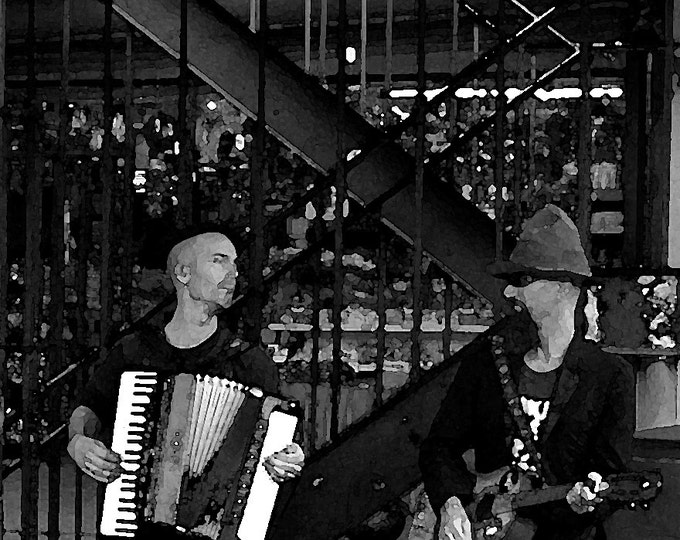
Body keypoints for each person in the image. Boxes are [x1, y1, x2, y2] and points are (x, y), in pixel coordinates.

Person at [418, 204, 635, 540]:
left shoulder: (609, 376)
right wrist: (451, 503)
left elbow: (610, 473)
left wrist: (587, 503)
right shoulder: (489, 361)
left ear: (563, 286)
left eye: (523, 279)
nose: (509, 292)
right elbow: (439, 447)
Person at [66, 231, 305, 522]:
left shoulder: (250, 362)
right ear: (183, 273)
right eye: (219, 261)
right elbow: (88, 408)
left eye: (235, 265)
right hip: (136, 523)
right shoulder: (134, 352)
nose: (233, 274)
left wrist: (289, 458)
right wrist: (78, 442)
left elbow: (279, 444)